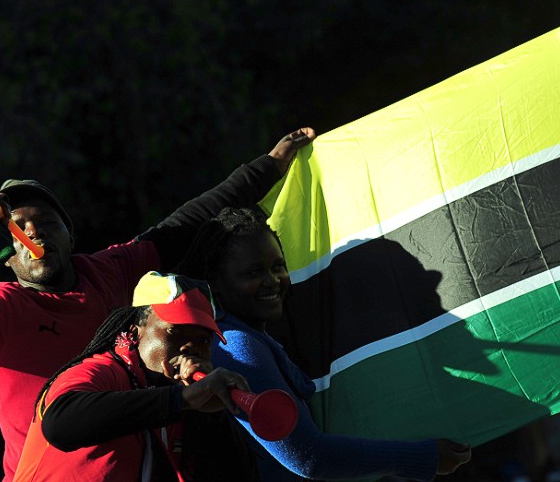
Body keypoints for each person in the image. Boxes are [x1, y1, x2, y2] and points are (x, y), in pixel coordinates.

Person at [0, 128, 316, 480]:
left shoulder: (107, 270)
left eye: (46, 222)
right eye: (16, 228)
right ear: (1, 253)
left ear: (70, 235)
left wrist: (269, 166)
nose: (33, 232)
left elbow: (185, 225)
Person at [177, 206, 473, 481]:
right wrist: (424, 457)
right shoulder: (236, 345)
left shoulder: (249, 336)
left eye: (278, 267)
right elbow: (309, 458)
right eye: (254, 272)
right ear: (215, 283)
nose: (273, 280)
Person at [14, 272, 258, 481]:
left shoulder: (180, 402)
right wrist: (183, 398)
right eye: (175, 331)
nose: (189, 347)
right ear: (134, 331)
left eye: (203, 340)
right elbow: (58, 425)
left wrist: (212, 414)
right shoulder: (101, 370)